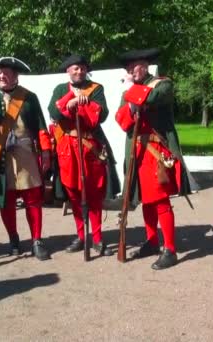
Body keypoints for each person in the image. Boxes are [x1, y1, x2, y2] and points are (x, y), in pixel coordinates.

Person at [0, 57, 52, 261]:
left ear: (16, 76)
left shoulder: (29, 97)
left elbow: (41, 127)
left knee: (33, 199)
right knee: (7, 201)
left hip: (26, 156)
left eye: (6, 73)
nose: (1, 76)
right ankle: (13, 239)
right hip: (1, 155)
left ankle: (36, 240)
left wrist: (46, 152)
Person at [115, 48, 191, 270]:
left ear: (146, 66)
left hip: (156, 151)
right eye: (128, 67)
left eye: (135, 65)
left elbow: (152, 98)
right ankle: (152, 241)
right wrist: (131, 98)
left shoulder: (162, 84)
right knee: (145, 200)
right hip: (136, 151)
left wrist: (132, 92)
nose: (131, 70)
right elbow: (122, 120)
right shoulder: (129, 92)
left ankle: (170, 249)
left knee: (159, 200)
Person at [47, 54, 120, 256]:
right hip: (67, 147)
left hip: (90, 146)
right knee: (74, 193)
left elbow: (102, 115)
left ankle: (97, 238)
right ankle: (81, 236)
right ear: (68, 71)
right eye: (75, 68)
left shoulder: (96, 89)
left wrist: (86, 103)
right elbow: (54, 111)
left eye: (82, 68)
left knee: (93, 194)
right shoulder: (60, 89)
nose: (79, 71)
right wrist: (69, 101)